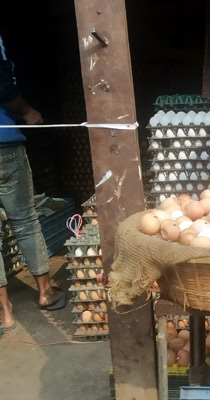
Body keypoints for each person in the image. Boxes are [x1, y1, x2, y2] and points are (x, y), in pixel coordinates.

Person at [0, 33, 65, 331]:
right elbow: (3, 86)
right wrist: (27, 112)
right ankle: (45, 292)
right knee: (25, 220)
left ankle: (5, 312)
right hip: (4, 146)